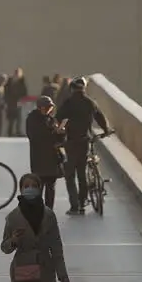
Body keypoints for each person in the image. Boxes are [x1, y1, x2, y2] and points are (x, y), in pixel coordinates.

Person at [53, 77, 110, 215]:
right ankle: (83, 201)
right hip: (85, 141)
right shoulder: (90, 103)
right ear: (84, 88)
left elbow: (59, 118)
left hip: (71, 142)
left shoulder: (69, 103)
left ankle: (74, 206)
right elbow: (100, 117)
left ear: (72, 89)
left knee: (70, 175)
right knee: (82, 174)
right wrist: (106, 130)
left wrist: (59, 133)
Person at [25, 95, 65, 209]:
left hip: (52, 157)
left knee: (51, 187)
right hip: (39, 157)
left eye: (50, 107)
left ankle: (48, 209)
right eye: (46, 107)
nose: (49, 109)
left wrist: (61, 133)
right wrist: (54, 133)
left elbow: (59, 140)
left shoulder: (51, 119)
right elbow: (35, 137)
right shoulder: (32, 119)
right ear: (40, 107)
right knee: (39, 185)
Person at [3, 67, 29, 137]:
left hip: (18, 103)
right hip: (10, 103)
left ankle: (18, 132)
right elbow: (6, 92)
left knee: (18, 119)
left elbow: (24, 92)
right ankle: (10, 133)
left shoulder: (22, 82)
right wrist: (6, 101)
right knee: (11, 119)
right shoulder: (9, 81)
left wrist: (22, 100)